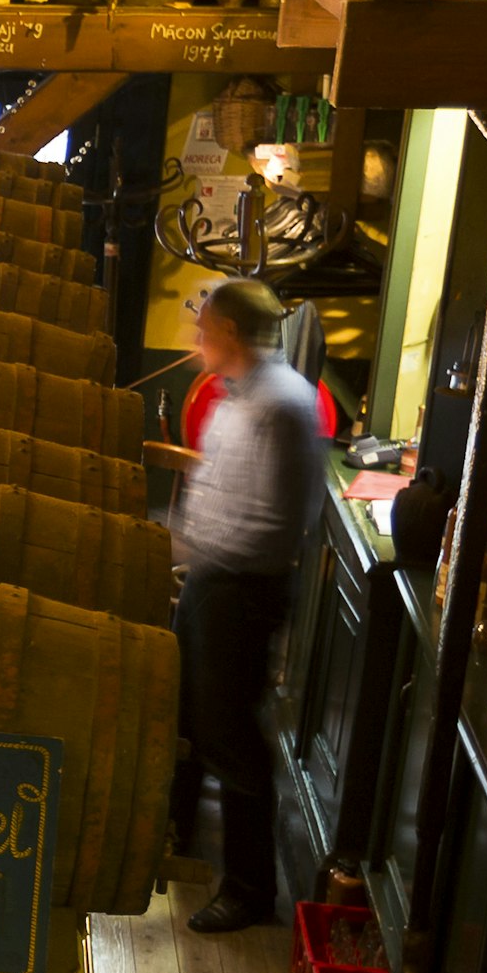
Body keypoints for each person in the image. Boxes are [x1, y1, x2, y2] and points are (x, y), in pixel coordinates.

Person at [169, 277, 333, 935]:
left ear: (229, 332)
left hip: (240, 590)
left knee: (230, 736)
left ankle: (249, 890)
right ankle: (178, 839)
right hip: (211, 581)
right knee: (191, 716)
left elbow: (278, 524)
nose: (196, 340)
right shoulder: (241, 397)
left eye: (203, 328)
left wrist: (186, 547)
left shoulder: (282, 405)